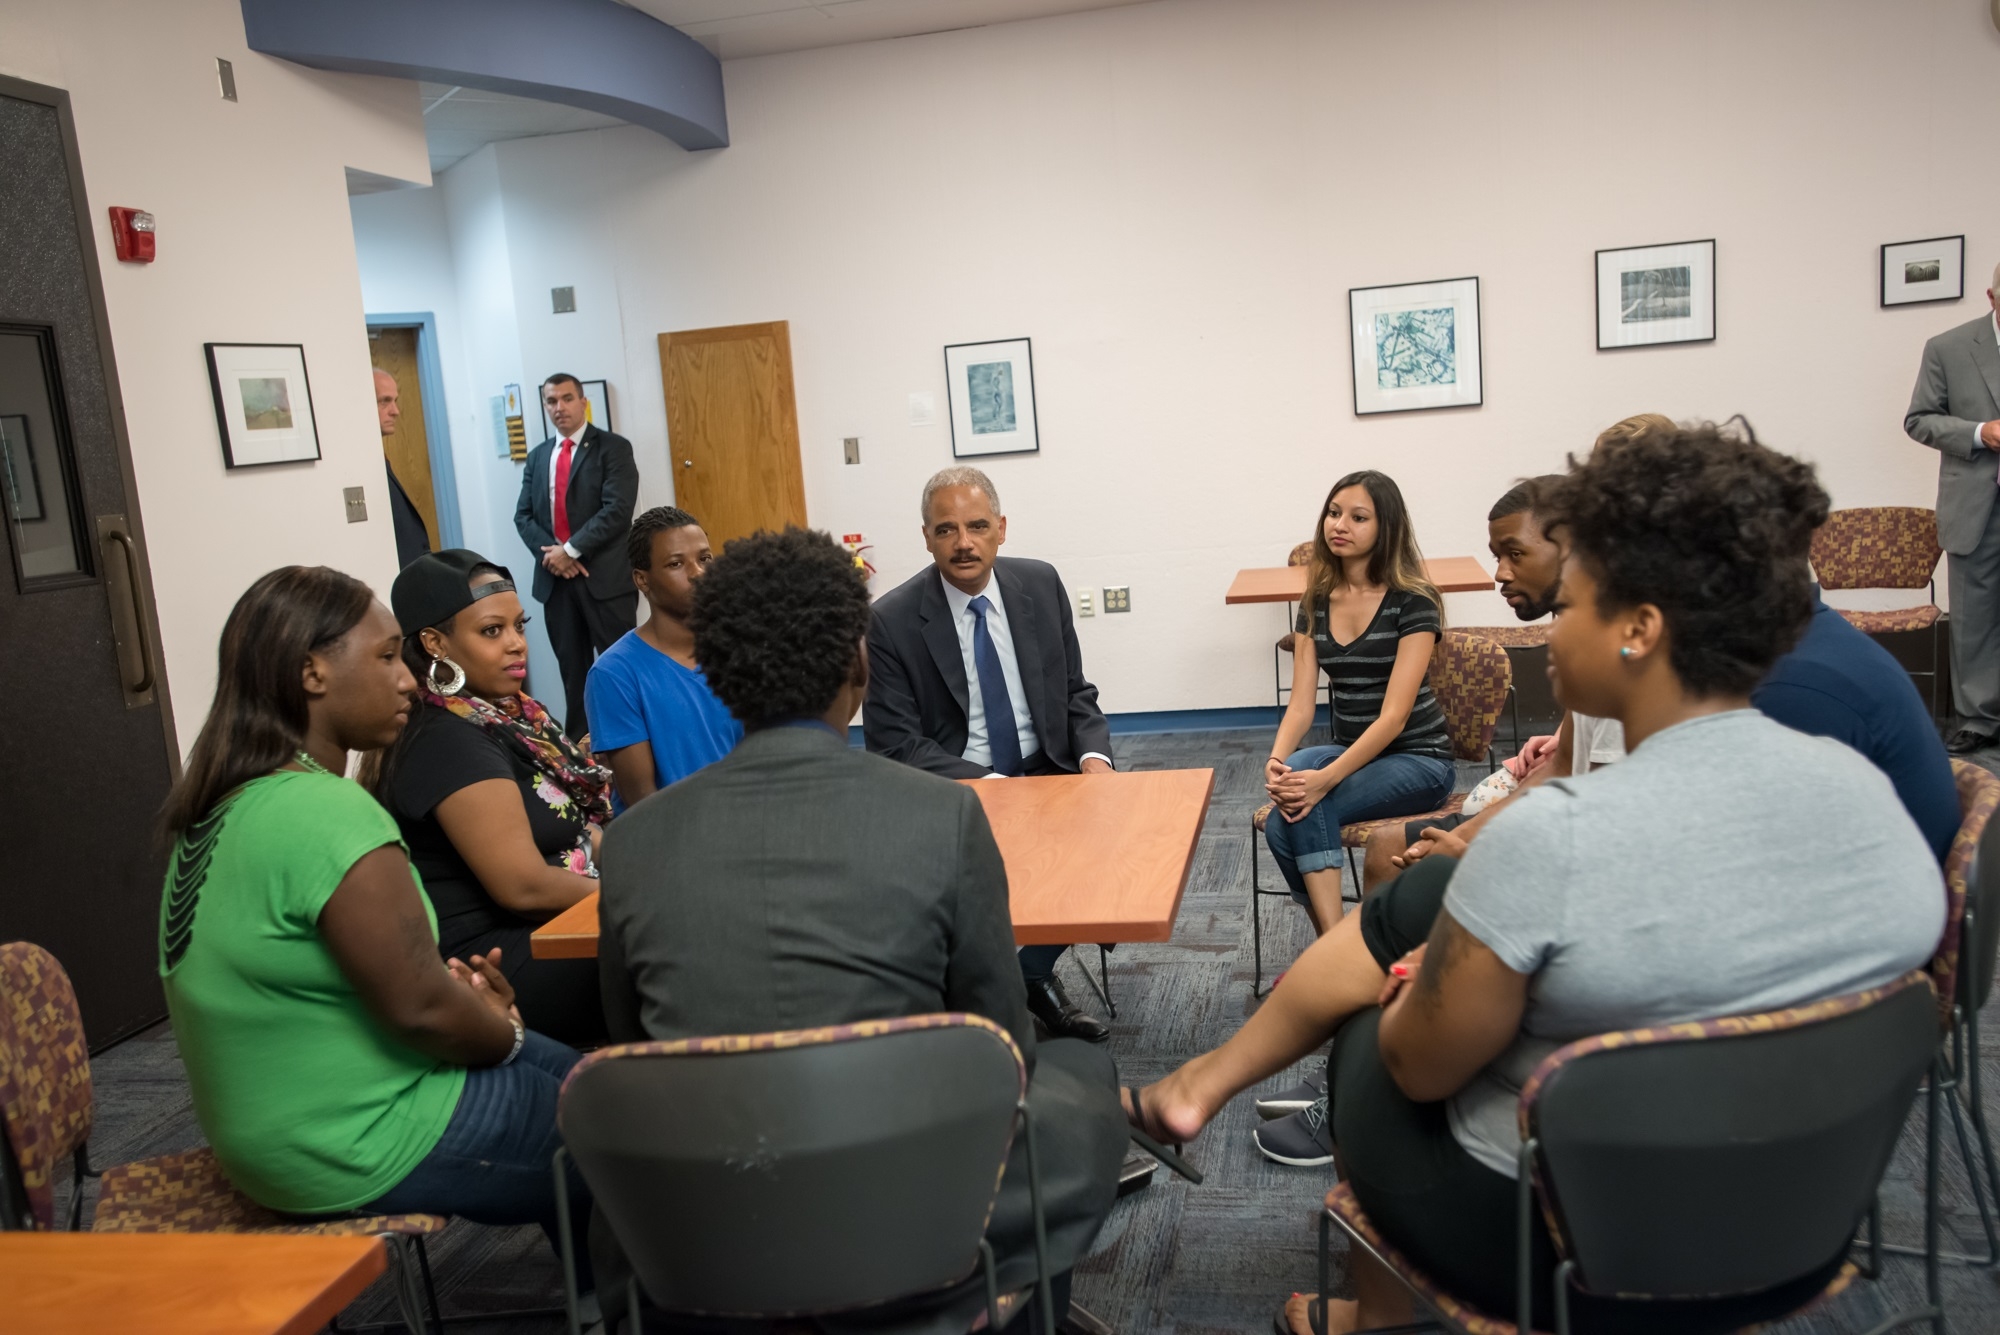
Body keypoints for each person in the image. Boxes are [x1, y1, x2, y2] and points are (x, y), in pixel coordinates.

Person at [1127, 424, 1945, 1335]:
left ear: (1639, 629)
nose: (1552, 630)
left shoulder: (1554, 840)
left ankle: (1378, 1307)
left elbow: (1422, 1066)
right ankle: (1212, 1083)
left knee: (1372, 1029)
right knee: (1428, 907)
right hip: (1803, 1220)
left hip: (1578, 1238)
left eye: (1575, 604)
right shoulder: (1869, 800)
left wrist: (1409, 996)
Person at [596, 527, 1127, 1331]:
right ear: (860, 661)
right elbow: (1000, 1041)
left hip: (707, 1223)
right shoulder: (944, 814)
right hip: (908, 1203)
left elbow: (628, 1037)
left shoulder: (632, 844)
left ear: (719, 670)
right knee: (1081, 1075)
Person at [156, 565, 591, 1282]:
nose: (410, 681)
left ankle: (601, 1288)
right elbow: (422, 1010)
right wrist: (499, 1024)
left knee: (574, 1076)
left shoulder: (220, 804)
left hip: (270, 1136)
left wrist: (497, 1027)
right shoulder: (325, 809)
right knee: (626, 1132)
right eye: (387, 656)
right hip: (355, 1137)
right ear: (312, 673)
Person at [864, 465, 1115, 1043]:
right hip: (961, 786)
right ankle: (1000, 997)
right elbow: (895, 744)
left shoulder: (1040, 585)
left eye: (977, 526)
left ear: (1001, 528)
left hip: (1049, 772)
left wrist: (1095, 761)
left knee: (1114, 860)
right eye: (946, 529)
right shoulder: (892, 621)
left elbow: (1075, 691)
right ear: (925, 537)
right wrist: (995, 784)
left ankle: (1022, 978)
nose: (964, 542)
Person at [364, 549, 612, 1047]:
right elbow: (522, 887)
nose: (518, 645)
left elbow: (582, 832)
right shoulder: (446, 739)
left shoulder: (511, 717)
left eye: (519, 626)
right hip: (494, 962)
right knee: (690, 954)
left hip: (555, 925)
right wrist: (642, 900)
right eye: (492, 631)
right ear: (436, 643)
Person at [1261, 470, 1455, 934]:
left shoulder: (1414, 601)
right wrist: (1277, 758)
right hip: (1350, 752)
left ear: (1386, 527)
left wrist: (1323, 779)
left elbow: (1394, 717)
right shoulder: (1316, 601)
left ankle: (1334, 949)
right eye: (1333, 512)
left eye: (1358, 517)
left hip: (1418, 757)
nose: (1339, 525)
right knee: (1293, 794)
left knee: (1300, 808)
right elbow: (1302, 705)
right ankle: (1340, 949)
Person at [584, 506, 741, 812]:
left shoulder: (741, 651)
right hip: (671, 843)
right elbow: (643, 801)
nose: (698, 573)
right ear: (642, 580)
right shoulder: (614, 674)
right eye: (676, 563)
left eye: (705, 559)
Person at [1905, 267, 2000, 755]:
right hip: (1977, 504)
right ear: (1991, 295)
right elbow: (1919, 420)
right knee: (1974, 616)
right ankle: (1978, 720)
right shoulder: (1948, 346)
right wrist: (1979, 432)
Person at [513, 373, 639, 739]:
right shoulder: (538, 457)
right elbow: (523, 516)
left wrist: (570, 550)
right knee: (574, 677)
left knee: (622, 671)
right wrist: (555, 557)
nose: (559, 408)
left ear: (583, 402)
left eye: (567, 399)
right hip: (557, 585)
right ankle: (581, 761)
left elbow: (617, 510)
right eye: (551, 401)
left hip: (605, 581)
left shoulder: (612, 448)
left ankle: (632, 744)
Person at [374, 368, 431, 569]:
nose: (395, 411)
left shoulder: (378, 456)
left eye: (395, 401)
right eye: (384, 401)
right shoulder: (358, 464)